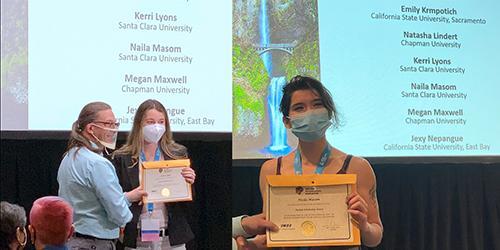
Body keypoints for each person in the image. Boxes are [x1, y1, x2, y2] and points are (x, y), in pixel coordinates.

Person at [259, 76, 383, 249]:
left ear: (328, 112)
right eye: (299, 108)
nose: (309, 112)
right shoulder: (271, 170)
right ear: (287, 121)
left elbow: (375, 237)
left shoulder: (357, 167)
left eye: (317, 104)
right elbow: (270, 229)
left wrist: (364, 226)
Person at [57, 101, 146, 249]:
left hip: (73, 241)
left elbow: (90, 202)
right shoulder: (98, 164)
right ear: (91, 128)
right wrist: (125, 210)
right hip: (95, 243)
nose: (114, 129)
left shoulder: (68, 157)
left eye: (115, 124)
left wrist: (128, 197)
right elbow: (120, 215)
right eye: (109, 124)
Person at [112, 99, 196, 250]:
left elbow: (187, 201)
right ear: (139, 124)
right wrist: (131, 195)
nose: (156, 127)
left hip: (171, 238)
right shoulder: (122, 157)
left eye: (161, 121)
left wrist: (189, 182)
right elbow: (113, 197)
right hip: (137, 237)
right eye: (150, 122)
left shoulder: (177, 154)